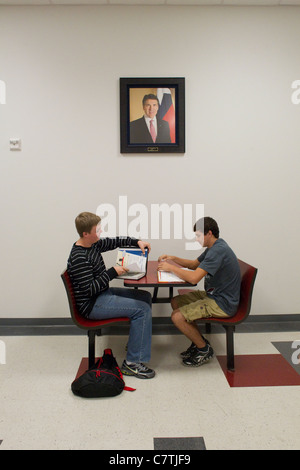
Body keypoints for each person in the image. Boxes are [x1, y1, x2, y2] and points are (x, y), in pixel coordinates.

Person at [67, 212, 155, 379]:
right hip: (92, 304)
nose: (100, 233)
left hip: (102, 294)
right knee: (142, 310)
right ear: (86, 234)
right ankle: (132, 364)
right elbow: (90, 289)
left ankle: (136, 345)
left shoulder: (92, 244)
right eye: (97, 230)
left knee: (144, 297)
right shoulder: (79, 257)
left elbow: (115, 241)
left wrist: (137, 241)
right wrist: (113, 272)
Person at [158, 217, 241, 367]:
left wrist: (171, 268)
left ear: (209, 233)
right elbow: (194, 265)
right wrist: (173, 258)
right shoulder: (214, 247)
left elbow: (194, 277)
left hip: (222, 303)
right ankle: (198, 342)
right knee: (176, 301)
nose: (196, 239)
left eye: (198, 235)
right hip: (214, 295)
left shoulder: (218, 251)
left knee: (177, 317)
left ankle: (204, 350)